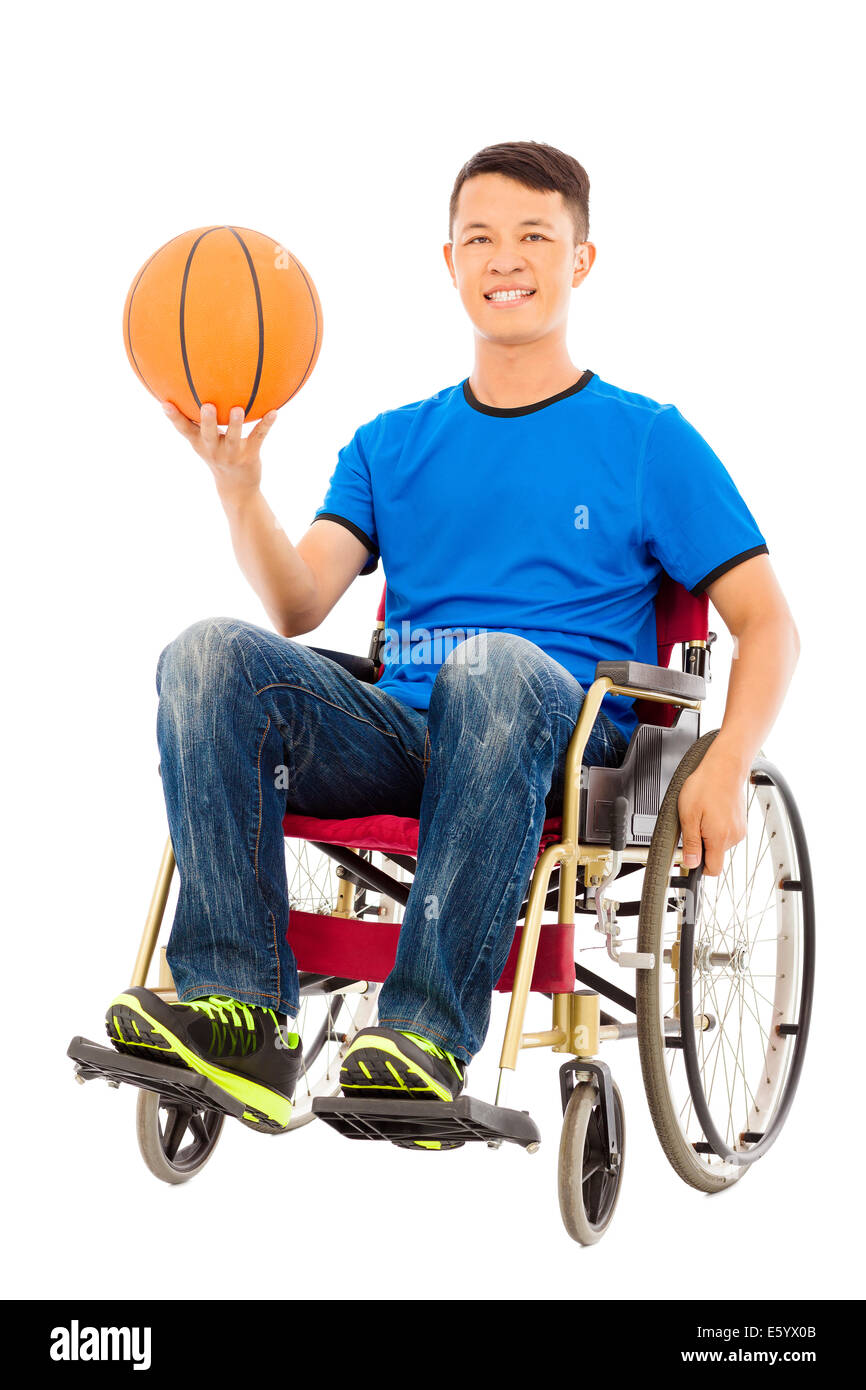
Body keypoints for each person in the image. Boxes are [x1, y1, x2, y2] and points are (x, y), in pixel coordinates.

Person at [106, 140, 800, 1136]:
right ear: (449, 263)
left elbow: (768, 621)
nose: (503, 258)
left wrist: (727, 757)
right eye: (479, 237)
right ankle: (237, 1010)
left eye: (532, 236)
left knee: (491, 667)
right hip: (402, 729)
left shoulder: (646, 439)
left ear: (580, 260)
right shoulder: (389, 441)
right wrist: (239, 486)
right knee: (207, 653)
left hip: (563, 740)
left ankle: (423, 1031)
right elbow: (299, 604)